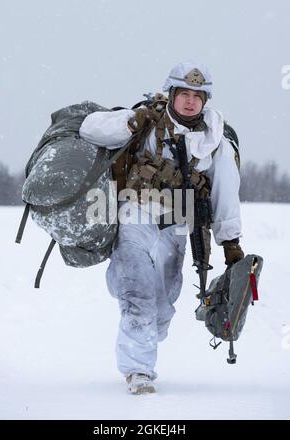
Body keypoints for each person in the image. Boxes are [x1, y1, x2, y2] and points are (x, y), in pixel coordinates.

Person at [79, 60, 244, 395]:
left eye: (197, 95)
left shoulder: (216, 140)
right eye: (183, 93)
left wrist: (230, 242)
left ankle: (142, 328)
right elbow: (89, 129)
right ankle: (139, 370)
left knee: (163, 302)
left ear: (205, 101)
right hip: (136, 212)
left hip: (179, 222)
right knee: (137, 290)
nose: (190, 101)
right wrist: (129, 122)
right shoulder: (148, 118)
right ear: (171, 94)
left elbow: (226, 192)